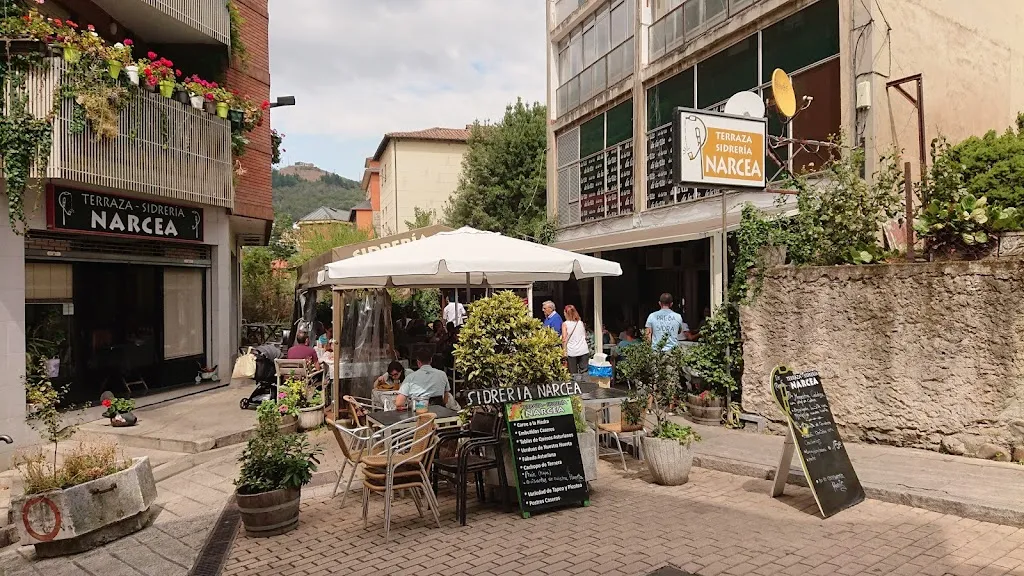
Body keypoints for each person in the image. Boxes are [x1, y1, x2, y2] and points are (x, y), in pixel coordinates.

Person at [561, 305, 589, 374]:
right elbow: (585, 336)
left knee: (573, 373)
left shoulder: (565, 324)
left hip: (572, 351)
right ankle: (585, 384)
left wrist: (564, 351)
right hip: (583, 350)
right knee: (584, 372)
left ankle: (576, 384)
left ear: (566, 313)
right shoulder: (580, 323)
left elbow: (564, 339)